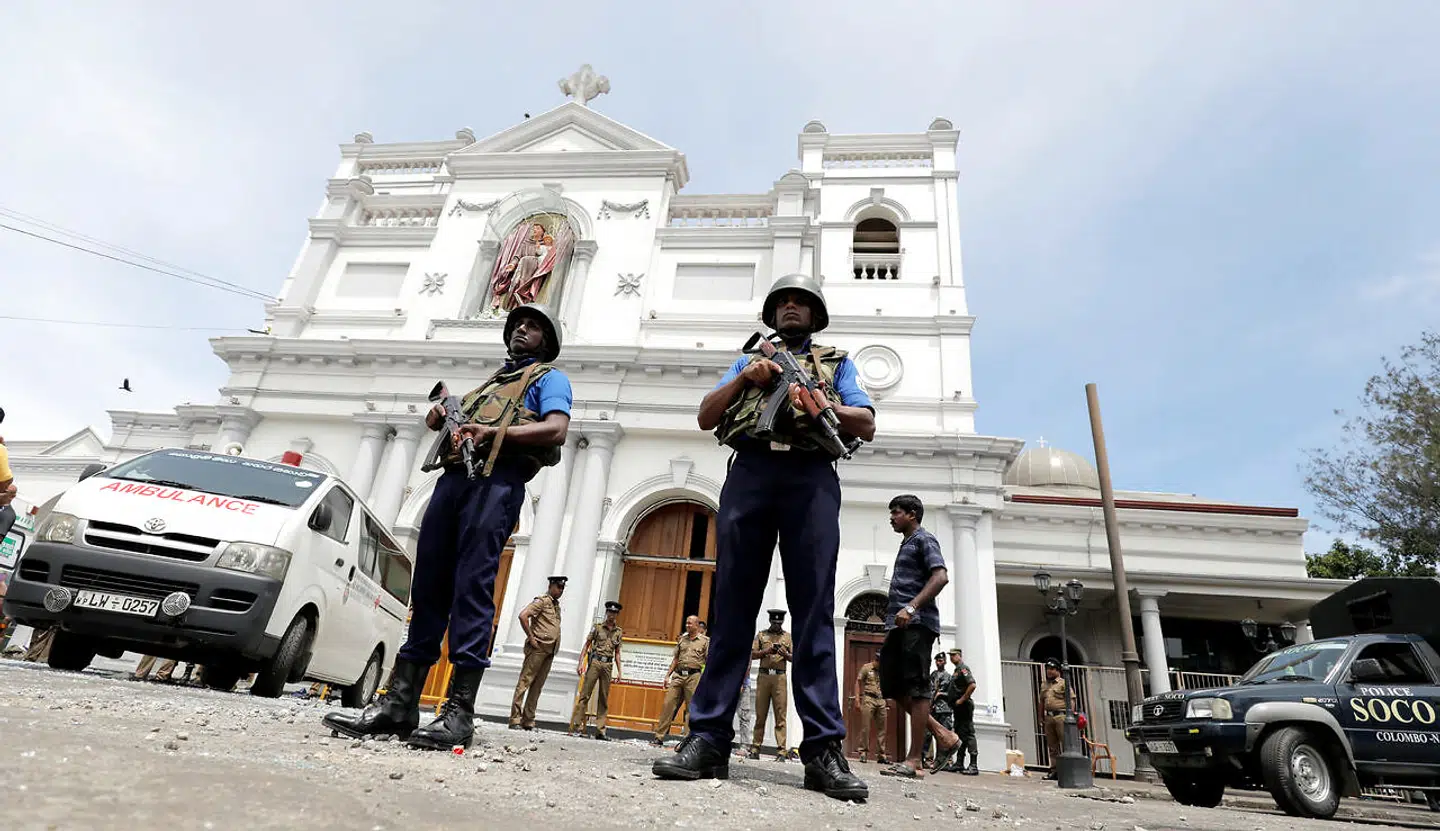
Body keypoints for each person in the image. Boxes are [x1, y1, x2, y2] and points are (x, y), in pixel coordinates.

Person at [652, 274, 875, 802]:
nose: (791, 308)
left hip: (811, 478)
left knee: (815, 611)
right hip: (750, 473)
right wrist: (746, 378)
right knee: (730, 609)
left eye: (801, 302)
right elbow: (708, 415)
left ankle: (822, 750)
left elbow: (864, 420)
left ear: (815, 315)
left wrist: (820, 403)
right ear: (771, 315)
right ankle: (708, 738)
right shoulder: (748, 358)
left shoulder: (837, 362)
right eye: (782, 302)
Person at [323, 303, 572, 750]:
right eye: (516, 325)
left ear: (546, 342)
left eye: (532, 327)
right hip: (452, 484)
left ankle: (459, 711)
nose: (521, 330)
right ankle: (399, 704)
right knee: (430, 589)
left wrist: (491, 434)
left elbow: (556, 430)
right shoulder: (489, 385)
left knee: (472, 588)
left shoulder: (547, 380)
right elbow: (455, 425)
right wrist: (441, 419)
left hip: (496, 484)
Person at [877, 495, 961, 779]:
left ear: (912, 514)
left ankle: (915, 760)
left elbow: (940, 577)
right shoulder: (906, 543)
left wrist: (911, 608)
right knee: (891, 685)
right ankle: (943, 734)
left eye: (896, 512)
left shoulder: (925, 539)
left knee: (917, 687)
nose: (892, 517)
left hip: (918, 624)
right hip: (898, 626)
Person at [510, 575, 566, 730]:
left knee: (537, 686)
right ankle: (515, 719)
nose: (560, 591)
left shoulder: (556, 606)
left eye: (562, 588)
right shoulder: (541, 601)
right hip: (538, 648)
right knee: (525, 682)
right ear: (551, 585)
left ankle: (528, 720)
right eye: (558, 587)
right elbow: (523, 616)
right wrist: (531, 637)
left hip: (550, 650)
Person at [569, 599, 624, 740]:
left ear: (617, 614)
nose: (611, 615)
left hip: (608, 665)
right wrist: (580, 663)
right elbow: (586, 645)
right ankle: (577, 727)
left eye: (614, 613)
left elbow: (617, 652)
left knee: (603, 698)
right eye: (610, 612)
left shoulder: (618, 632)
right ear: (606, 613)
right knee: (585, 694)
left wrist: (619, 671)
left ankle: (600, 730)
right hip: (595, 662)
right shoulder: (598, 628)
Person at [651, 615, 708, 745]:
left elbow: (709, 661)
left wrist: (706, 680)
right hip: (678, 675)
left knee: (691, 708)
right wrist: (667, 675)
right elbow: (676, 659)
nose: (687, 625)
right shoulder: (682, 639)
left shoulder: (705, 641)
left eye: (690, 623)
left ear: (697, 625)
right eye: (686, 623)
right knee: (668, 704)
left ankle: (687, 740)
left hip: (694, 676)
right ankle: (659, 736)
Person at [749, 609, 793, 761]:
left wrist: (785, 654)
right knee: (760, 714)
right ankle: (755, 748)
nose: (776, 625)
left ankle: (781, 751)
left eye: (779, 622)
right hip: (764, 676)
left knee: (780, 715)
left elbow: (795, 658)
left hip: (780, 678)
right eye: (774, 622)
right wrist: (766, 651)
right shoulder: (762, 635)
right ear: (770, 621)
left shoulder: (787, 637)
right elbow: (752, 654)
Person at [942, 648, 979, 775]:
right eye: (950, 656)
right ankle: (959, 763)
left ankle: (973, 765)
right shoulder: (956, 670)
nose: (951, 658)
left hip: (964, 707)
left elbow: (972, 685)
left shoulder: (964, 668)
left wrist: (962, 700)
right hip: (958, 708)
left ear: (959, 656)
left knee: (968, 734)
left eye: (953, 655)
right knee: (960, 734)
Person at [853, 655, 889, 765]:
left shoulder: (884, 670)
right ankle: (863, 752)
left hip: (881, 699)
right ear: (876, 660)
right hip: (868, 698)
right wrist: (857, 700)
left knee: (882, 728)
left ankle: (881, 754)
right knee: (865, 727)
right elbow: (858, 683)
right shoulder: (866, 668)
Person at [923, 652, 952, 767]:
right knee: (928, 734)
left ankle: (945, 760)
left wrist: (940, 694)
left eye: (940, 661)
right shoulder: (933, 675)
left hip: (944, 709)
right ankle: (928, 759)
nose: (938, 663)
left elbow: (950, 693)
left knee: (943, 735)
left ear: (944, 661)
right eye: (936, 661)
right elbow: (930, 689)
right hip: (933, 708)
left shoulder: (948, 676)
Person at [1040, 658, 1067, 779]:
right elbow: (1041, 701)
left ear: (1058, 670)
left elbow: (1071, 700)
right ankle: (1054, 770)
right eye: (1047, 669)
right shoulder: (1044, 684)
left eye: (1051, 669)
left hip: (1061, 716)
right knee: (1052, 746)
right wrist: (1041, 717)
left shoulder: (1063, 683)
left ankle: (1068, 769)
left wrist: (1069, 716)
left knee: (1065, 743)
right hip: (1049, 717)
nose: (1049, 671)